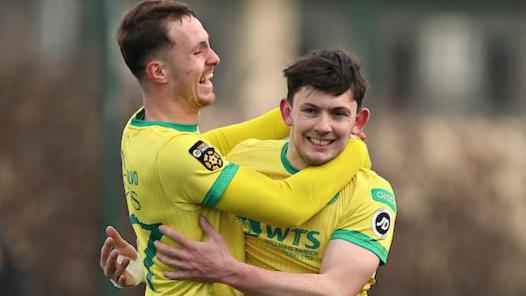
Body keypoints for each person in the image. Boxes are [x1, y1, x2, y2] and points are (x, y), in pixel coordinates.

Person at [101, 1, 370, 295]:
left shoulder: (139, 130)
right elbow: (290, 204)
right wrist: (355, 150)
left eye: (209, 45)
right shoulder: (179, 156)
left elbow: (224, 144)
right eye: (198, 51)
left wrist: (145, 266)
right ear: (159, 72)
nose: (214, 58)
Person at [155, 49, 396, 295]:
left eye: (338, 114)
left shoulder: (371, 194)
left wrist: (229, 271)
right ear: (287, 113)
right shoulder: (242, 157)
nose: (323, 126)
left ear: (359, 121)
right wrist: (140, 264)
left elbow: (335, 288)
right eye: (311, 110)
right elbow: (186, 226)